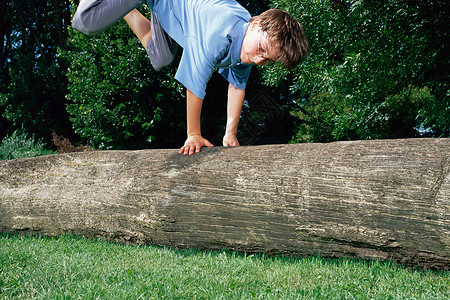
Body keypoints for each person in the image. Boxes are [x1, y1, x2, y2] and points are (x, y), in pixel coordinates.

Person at [72, 0, 308, 155]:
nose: (258, 60)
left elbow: (237, 87)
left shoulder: (246, 44)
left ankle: (127, 7)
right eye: (261, 51)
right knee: (86, 23)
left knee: (161, 58)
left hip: (170, 7)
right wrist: (193, 134)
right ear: (256, 24)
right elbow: (194, 86)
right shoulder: (218, 34)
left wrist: (230, 133)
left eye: (267, 60)